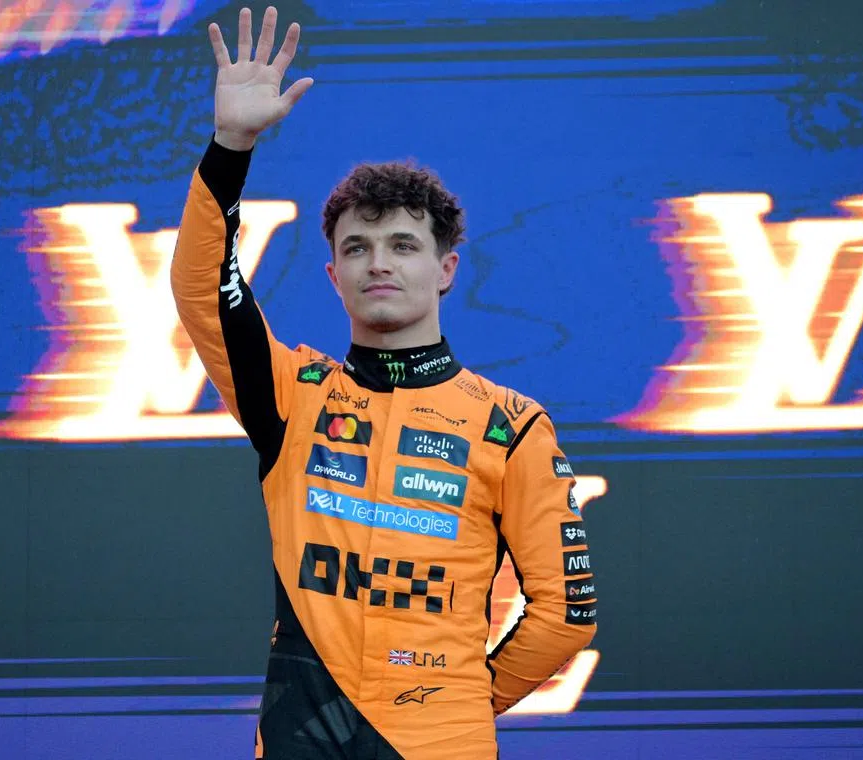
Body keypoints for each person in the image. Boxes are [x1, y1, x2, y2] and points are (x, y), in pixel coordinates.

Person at [171, 6, 597, 758]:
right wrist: (231, 146)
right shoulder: (294, 393)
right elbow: (204, 291)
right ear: (332, 275)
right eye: (356, 247)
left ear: (446, 269)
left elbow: (566, 613)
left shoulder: (511, 425)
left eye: (403, 245)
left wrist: (458, 703)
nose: (378, 263)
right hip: (302, 733)